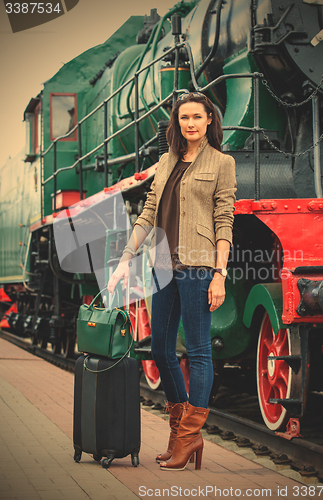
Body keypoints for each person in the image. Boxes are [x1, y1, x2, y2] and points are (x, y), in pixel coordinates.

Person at [107, 91, 236, 471]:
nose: (190, 123)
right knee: (162, 350)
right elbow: (148, 213)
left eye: (197, 116)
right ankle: (181, 429)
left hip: (198, 266)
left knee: (197, 351)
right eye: (184, 118)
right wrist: (124, 260)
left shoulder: (222, 162)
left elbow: (224, 219)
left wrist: (220, 274)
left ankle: (189, 436)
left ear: (210, 119)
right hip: (161, 265)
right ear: (177, 123)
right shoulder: (166, 160)